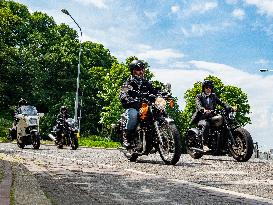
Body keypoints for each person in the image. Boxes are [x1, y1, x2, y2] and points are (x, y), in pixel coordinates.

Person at [119, 59, 158, 148]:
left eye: (142, 69)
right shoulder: (129, 83)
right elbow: (123, 92)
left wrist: (162, 95)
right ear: (133, 71)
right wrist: (126, 97)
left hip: (145, 107)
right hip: (134, 106)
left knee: (157, 112)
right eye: (138, 69)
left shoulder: (147, 83)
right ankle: (127, 138)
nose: (141, 71)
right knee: (133, 115)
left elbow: (154, 91)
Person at [191, 80, 234, 151]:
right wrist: (203, 110)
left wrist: (229, 107)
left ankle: (224, 145)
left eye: (210, 87)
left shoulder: (213, 96)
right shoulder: (199, 96)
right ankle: (204, 144)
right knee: (206, 124)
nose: (208, 89)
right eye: (207, 87)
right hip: (201, 118)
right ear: (203, 88)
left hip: (211, 117)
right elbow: (198, 105)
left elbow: (222, 103)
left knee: (224, 122)